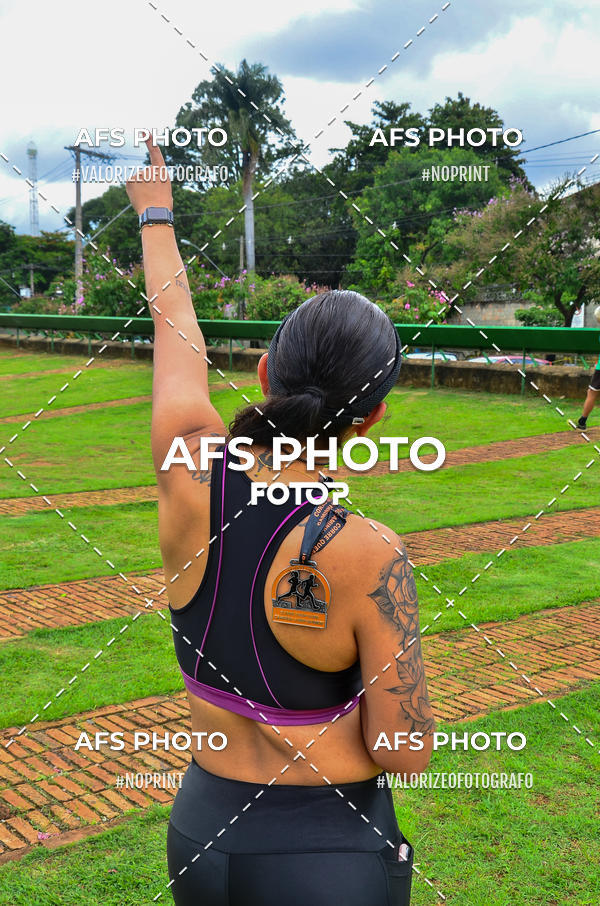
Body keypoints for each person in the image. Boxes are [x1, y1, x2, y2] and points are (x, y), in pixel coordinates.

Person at [126, 140, 435, 906]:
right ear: (373, 420)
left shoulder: (187, 469)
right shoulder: (369, 552)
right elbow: (404, 750)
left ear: (266, 372)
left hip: (202, 830)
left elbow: (175, 336)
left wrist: (155, 211)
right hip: (328, 850)